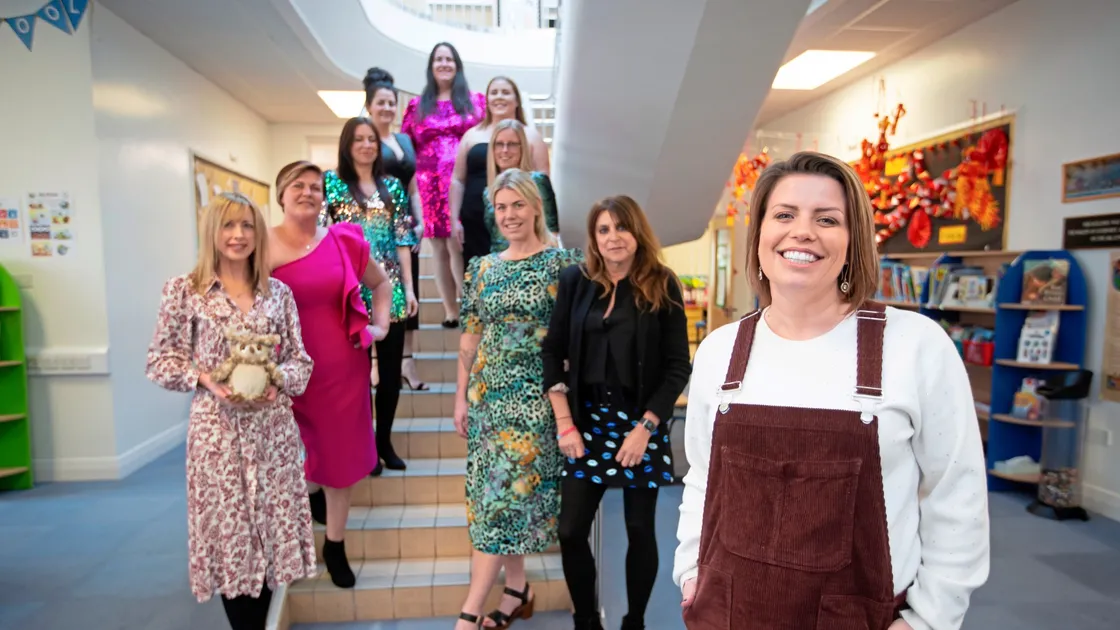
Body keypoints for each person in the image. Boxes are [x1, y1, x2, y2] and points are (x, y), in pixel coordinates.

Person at [673, 151, 990, 630]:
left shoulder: (914, 345)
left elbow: (956, 494)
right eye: (784, 215)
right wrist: (690, 572)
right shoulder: (721, 350)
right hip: (729, 613)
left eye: (827, 219)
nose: (803, 231)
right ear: (759, 233)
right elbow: (701, 477)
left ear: (852, 240)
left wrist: (930, 620)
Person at [146, 192, 316, 630]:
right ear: (212, 232)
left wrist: (276, 383)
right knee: (232, 539)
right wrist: (206, 381)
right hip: (218, 436)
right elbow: (160, 361)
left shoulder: (278, 293)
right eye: (228, 225)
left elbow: (300, 360)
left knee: (270, 538)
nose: (238, 235)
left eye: (246, 226)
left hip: (272, 434)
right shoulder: (185, 291)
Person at [541, 195, 692, 630]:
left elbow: (677, 365)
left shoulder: (662, 283)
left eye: (621, 228)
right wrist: (564, 423)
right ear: (594, 238)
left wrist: (646, 427)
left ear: (637, 232)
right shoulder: (576, 281)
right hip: (585, 425)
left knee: (640, 529)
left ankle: (635, 622)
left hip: (640, 424)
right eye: (603, 230)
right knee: (570, 530)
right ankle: (586, 620)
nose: (612, 238)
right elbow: (552, 351)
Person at [452, 169, 583, 630]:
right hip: (489, 398)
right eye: (501, 207)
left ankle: (468, 615)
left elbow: (574, 339)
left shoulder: (563, 264)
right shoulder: (481, 268)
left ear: (535, 208)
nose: (508, 215)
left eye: (517, 205)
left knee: (502, 503)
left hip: (535, 401)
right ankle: (516, 590)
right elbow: (470, 335)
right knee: (493, 497)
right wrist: (461, 396)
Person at [269, 160, 393, 589]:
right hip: (284, 375)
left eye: (315, 187)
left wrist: (380, 326)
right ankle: (297, 541)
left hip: (341, 370)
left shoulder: (343, 240)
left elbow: (381, 284)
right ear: (281, 194)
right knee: (296, 464)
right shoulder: (259, 247)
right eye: (297, 186)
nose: (307, 192)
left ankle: (335, 545)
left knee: (340, 460)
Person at [322, 117, 419, 475]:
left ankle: (384, 443)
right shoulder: (330, 183)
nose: (366, 145)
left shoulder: (392, 185)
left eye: (371, 140)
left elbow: (403, 240)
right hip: (348, 293)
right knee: (357, 375)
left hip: (389, 290)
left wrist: (409, 288)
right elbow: (320, 236)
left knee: (390, 375)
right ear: (347, 145)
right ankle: (363, 448)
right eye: (358, 139)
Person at [402, 41, 487, 327]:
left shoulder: (475, 101)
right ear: (431, 67)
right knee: (438, 246)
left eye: (449, 59)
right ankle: (451, 310)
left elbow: (487, 136)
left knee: (458, 243)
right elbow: (407, 146)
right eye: (438, 59)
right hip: (430, 184)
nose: (444, 64)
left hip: (463, 182)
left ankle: (469, 303)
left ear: (457, 65)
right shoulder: (416, 105)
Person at [363, 66, 429, 391]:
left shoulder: (404, 139)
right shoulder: (365, 140)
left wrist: (421, 221)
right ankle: (377, 363)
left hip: (406, 227)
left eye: (392, 103)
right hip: (376, 230)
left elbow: (413, 185)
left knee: (409, 289)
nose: (387, 108)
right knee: (379, 291)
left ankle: (407, 362)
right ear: (370, 106)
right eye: (381, 103)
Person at [450, 76, 551, 265]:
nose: (499, 97)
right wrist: (454, 218)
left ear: (517, 100)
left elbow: (542, 179)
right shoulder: (472, 134)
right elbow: (458, 179)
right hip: (475, 219)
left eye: (505, 92)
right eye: (494, 92)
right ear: (486, 100)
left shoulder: (531, 136)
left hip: (516, 220)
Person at [483, 119, 560, 255]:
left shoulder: (537, 181)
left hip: (535, 263)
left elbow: (551, 232)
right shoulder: (488, 191)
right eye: (499, 144)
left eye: (512, 144)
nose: (505, 150)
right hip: (499, 264)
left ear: (522, 147)